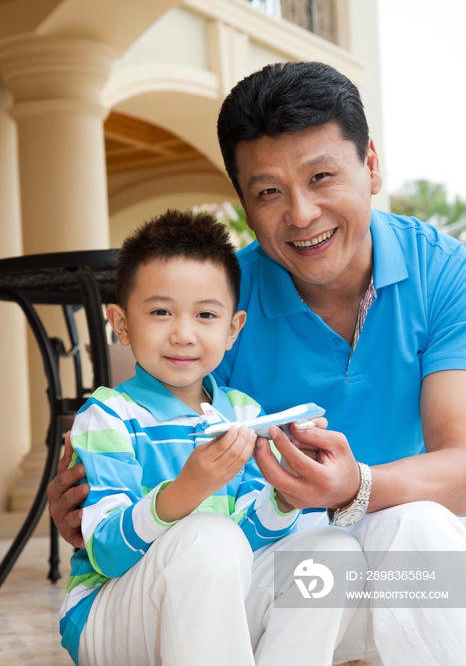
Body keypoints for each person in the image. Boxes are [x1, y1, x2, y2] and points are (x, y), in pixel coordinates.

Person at [49, 61, 466, 664]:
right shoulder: (220, 299)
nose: (300, 214)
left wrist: (357, 486)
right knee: (222, 551)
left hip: (365, 562)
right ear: (244, 201)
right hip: (248, 582)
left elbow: (459, 466)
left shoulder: (443, 272)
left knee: (423, 531)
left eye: (322, 176)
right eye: (269, 192)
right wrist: (95, 496)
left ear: (370, 165)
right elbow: (149, 423)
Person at [59, 208, 360, 666]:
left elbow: (247, 543)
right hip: (110, 614)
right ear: (120, 323)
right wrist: (187, 491)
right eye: (160, 311)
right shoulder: (107, 416)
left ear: (232, 329)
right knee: (209, 536)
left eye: (205, 315)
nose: (183, 334)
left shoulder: (243, 413)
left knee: (333, 549)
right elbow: (106, 552)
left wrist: (285, 495)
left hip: (213, 603)